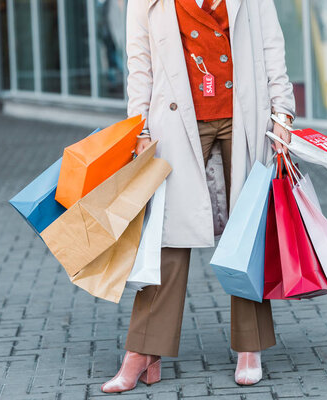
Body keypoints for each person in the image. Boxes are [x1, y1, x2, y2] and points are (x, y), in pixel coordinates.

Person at [101, 0, 295, 393]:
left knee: (247, 235)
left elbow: (272, 46)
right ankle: (143, 352)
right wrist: (138, 127)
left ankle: (250, 345)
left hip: (246, 114)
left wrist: (283, 115)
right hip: (175, 121)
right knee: (167, 236)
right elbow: (139, 62)